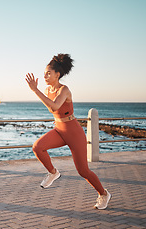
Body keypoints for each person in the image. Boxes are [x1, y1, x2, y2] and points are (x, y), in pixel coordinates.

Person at [25, 54, 111, 210]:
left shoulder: (64, 90)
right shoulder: (47, 90)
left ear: (58, 74)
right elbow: (55, 111)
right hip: (59, 130)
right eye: (44, 73)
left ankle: (104, 194)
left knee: (83, 171)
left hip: (74, 132)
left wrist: (35, 90)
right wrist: (40, 92)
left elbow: (55, 107)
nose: (45, 76)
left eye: (48, 73)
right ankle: (53, 173)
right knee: (37, 147)